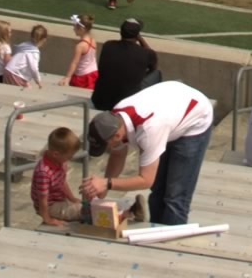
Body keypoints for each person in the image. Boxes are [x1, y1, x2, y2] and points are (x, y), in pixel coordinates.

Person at [83, 80, 217, 227]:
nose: (107, 149)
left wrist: (106, 183)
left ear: (116, 136)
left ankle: (168, 243)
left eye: (105, 145)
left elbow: (146, 180)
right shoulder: (115, 118)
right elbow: (117, 155)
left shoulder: (148, 131)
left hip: (195, 119)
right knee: (158, 191)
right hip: (171, 109)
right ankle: (156, 232)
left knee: (175, 197)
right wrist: (100, 195)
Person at [92, 17, 158, 110]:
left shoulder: (108, 45)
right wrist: (141, 39)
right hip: (125, 106)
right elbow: (153, 66)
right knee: (156, 73)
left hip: (100, 101)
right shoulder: (147, 53)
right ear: (137, 35)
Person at [33, 127, 87, 226]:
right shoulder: (43, 173)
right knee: (82, 211)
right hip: (49, 205)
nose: (70, 159)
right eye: (69, 157)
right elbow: (42, 200)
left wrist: (72, 198)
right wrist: (47, 219)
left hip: (58, 199)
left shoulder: (59, 162)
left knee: (84, 205)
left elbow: (62, 182)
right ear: (56, 154)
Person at [0, 24, 48, 88]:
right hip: (15, 74)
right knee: (26, 89)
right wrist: (38, 81)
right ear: (44, 40)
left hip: (8, 70)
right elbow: (34, 68)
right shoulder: (34, 52)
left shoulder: (24, 46)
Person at [64, 13, 99, 90]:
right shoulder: (93, 41)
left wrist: (67, 77)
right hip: (93, 73)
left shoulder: (80, 46)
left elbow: (74, 63)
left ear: (81, 29)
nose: (73, 29)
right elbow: (93, 59)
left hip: (82, 77)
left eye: (75, 27)